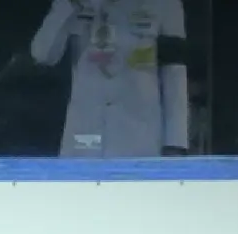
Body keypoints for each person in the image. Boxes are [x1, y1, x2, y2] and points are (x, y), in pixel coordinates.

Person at [30, 0, 189, 157]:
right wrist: (68, 5)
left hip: (139, 139)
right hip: (83, 139)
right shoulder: (72, 3)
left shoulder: (166, 3)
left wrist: (175, 142)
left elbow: (174, 73)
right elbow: (43, 55)